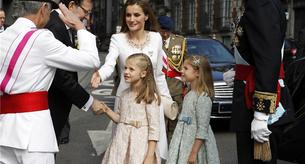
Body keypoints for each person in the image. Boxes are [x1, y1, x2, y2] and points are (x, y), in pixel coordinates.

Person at [0, 1, 104, 164]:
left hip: (4, 130)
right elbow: (91, 60)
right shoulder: (42, 38)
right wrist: (79, 26)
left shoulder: (3, 36)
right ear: (43, 9)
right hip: (33, 133)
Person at [90, 0, 171, 159]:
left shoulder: (156, 38)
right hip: (126, 98)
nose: (132, 19)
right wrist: (100, 74)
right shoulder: (117, 39)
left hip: (151, 98)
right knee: (123, 149)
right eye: (128, 15)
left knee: (152, 147)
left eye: (136, 15)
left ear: (146, 16)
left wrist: (166, 98)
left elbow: (159, 75)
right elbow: (110, 62)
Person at [223, 0, 295, 163]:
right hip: (251, 91)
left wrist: (261, 114)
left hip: (257, 100)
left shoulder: (261, 4)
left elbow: (268, 60)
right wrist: (238, 72)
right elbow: (258, 51)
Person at [44, 0, 94, 145]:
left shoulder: (62, 25)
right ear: (71, 5)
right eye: (85, 11)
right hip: (52, 103)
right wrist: (88, 101)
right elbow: (61, 74)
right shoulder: (55, 26)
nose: (86, 17)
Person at [101, 53, 161, 164]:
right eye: (125, 68)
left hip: (139, 146)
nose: (126, 72)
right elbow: (120, 119)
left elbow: (154, 128)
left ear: (143, 73)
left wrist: (150, 155)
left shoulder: (149, 97)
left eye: (131, 69)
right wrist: (106, 110)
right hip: (120, 142)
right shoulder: (124, 94)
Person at [167, 55, 220, 164]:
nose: (182, 71)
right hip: (183, 141)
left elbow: (202, 129)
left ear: (197, 73)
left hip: (195, 147)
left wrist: (193, 153)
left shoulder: (203, 97)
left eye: (186, 68)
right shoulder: (189, 94)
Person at [158, 15, 187, 142]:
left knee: (174, 119)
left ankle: (172, 147)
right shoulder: (154, 41)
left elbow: (185, 61)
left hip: (175, 87)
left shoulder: (179, 41)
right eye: (162, 30)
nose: (165, 34)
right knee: (160, 120)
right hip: (160, 87)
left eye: (167, 31)